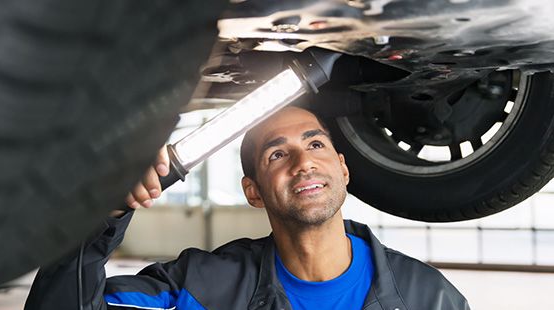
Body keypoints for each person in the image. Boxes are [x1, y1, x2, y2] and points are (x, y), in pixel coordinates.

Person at [24, 106, 470, 310]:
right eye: (277, 154)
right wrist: (102, 212)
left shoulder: (429, 299)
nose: (303, 162)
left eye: (315, 143)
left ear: (343, 169)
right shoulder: (199, 289)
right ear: (252, 191)